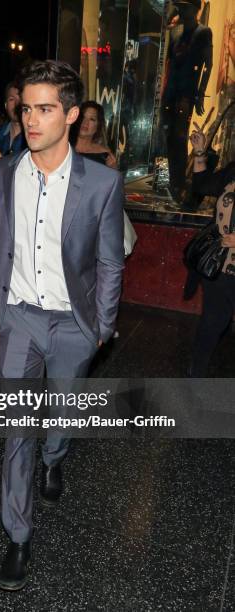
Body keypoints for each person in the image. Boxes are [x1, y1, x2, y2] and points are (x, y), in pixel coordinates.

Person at [0, 60, 124, 590]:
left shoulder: (102, 183)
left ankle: (58, 453)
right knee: (16, 433)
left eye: (45, 108)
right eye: (26, 108)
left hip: (75, 323)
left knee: (64, 409)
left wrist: (102, 327)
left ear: (71, 114)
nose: (32, 119)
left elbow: (111, 261)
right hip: (19, 318)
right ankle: (17, 536)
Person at [188, 124, 235, 376]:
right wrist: (199, 153)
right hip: (222, 262)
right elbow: (203, 186)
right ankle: (195, 376)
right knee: (213, 319)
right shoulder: (232, 170)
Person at [162, 0, 212, 199]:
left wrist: (200, 94)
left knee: (180, 137)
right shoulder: (175, 32)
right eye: (180, 6)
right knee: (168, 136)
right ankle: (172, 182)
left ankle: (178, 184)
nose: (182, 10)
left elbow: (207, 65)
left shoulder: (203, 32)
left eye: (186, 6)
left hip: (186, 92)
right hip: (171, 91)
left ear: (195, 9)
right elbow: (169, 63)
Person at [72, 100, 117, 168]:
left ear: (98, 126)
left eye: (92, 119)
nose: (85, 122)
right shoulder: (63, 147)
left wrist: (113, 168)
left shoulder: (105, 155)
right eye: (83, 117)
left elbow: (113, 178)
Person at [0, 82, 25, 156]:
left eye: (21, 98)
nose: (17, 104)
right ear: (6, 105)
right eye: (11, 99)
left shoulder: (33, 136)